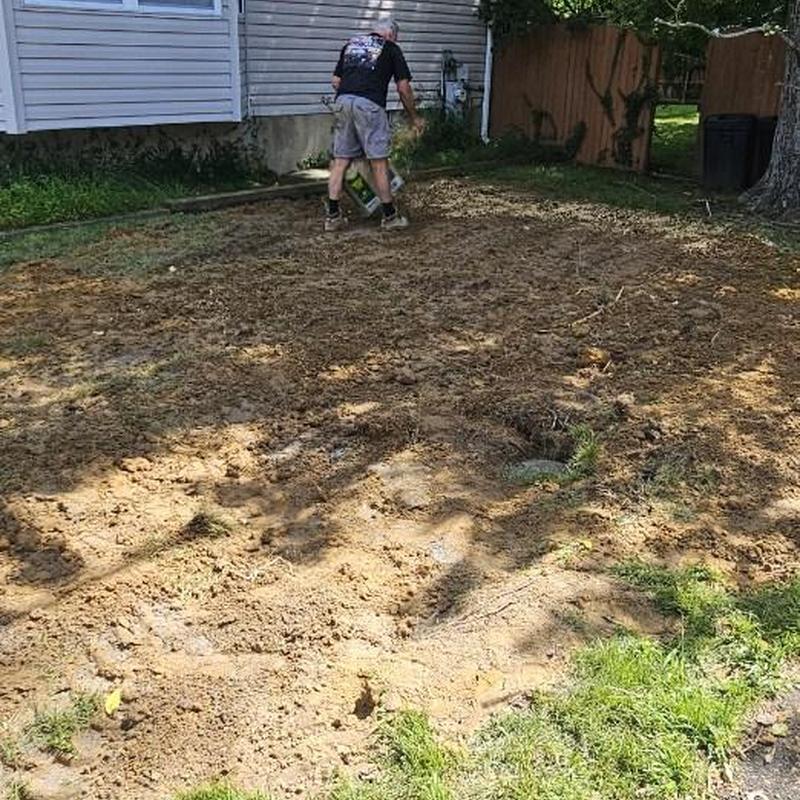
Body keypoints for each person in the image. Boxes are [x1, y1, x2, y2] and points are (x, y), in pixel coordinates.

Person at [325, 15, 423, 232]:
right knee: (378, 162)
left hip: (342, 101)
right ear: (391, 35)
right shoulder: (391, 48)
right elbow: (403, 88)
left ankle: (333, 217)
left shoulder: (351, 44)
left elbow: (336, 81)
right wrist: (414, 117)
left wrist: (351, 100)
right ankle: (389, 217)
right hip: (369, 105)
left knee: (341, 161)